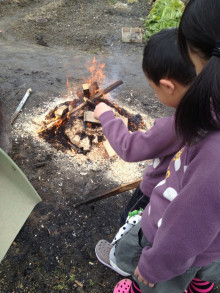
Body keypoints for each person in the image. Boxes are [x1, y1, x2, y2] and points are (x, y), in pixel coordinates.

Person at [95, 0, 220, 292]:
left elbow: (129, 148)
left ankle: (123, 263)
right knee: (202, 268)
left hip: (168, 232)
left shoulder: (190, 125)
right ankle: (198, 286)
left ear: (168, 86)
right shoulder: (208, 112)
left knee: (143, 248)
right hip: (211, 248)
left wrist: (107, 117)